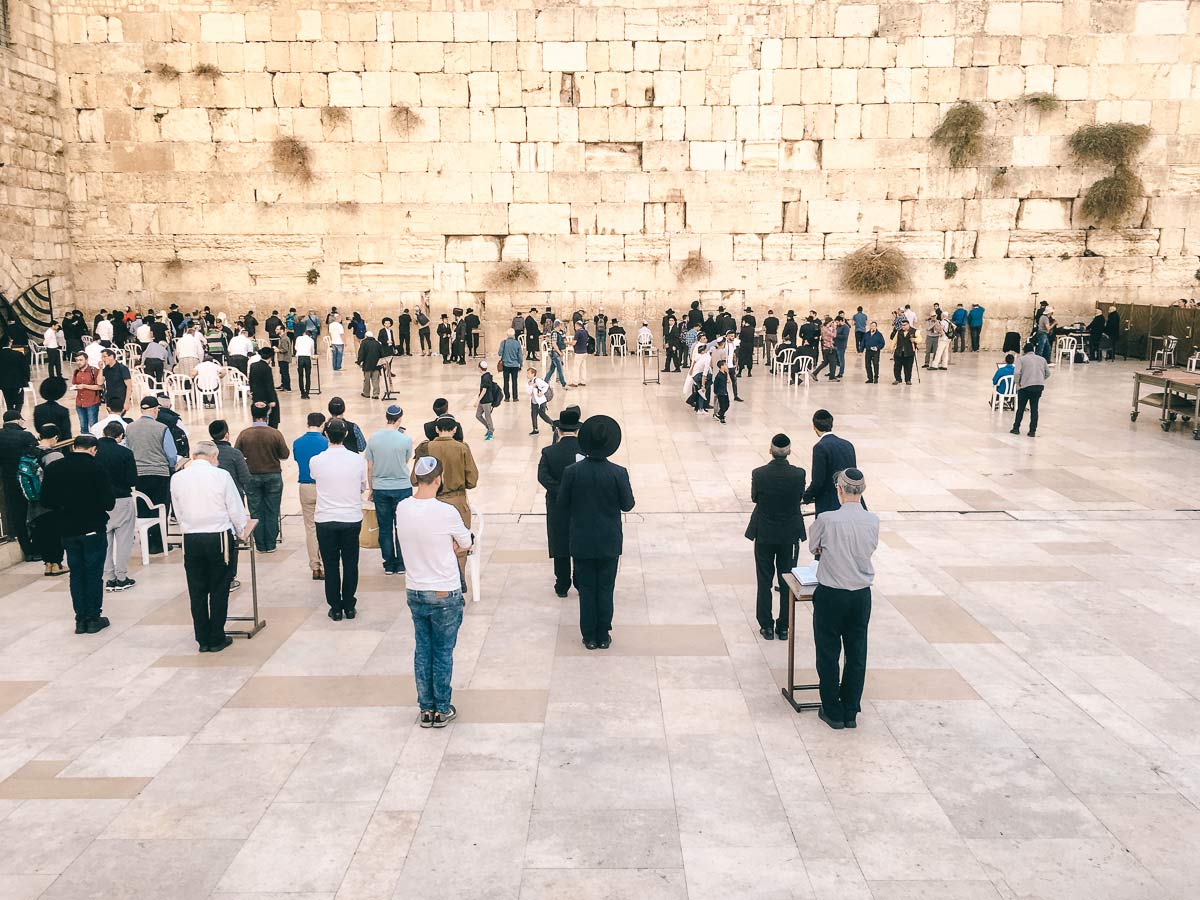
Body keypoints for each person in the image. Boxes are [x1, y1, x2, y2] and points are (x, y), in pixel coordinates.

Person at [395, 456, 473, 728]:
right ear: (439, 479)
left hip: (415, 589)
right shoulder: (446, 512)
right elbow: (465, 542)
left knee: (422, 648)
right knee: (442, 651)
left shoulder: (402, 508)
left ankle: (425, 707)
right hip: (443, 591)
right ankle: (441, 707)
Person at [807, 468, 879, 729]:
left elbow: (814, 546)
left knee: (828, 652)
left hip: (831, 594)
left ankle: (832, 710)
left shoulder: (827, 519)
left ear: (840, 490)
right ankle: (850, 710)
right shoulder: (873, 521)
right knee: (857, 652)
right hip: (861, 595)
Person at [557, 415, 635, 650]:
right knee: (606, 588)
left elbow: (562, 503)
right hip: (609, 540)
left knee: (587, 588)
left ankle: (589, 635)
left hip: (581, 538)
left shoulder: (572, 472)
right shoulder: (618, 472)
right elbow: (628, 504)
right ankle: (603, 633)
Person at [171, 441, 251, 653]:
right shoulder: (221, 475)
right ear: (214, 456)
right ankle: (216, 636)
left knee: (196, 589)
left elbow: (177, 510)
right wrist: (241, 529)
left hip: (191, 537)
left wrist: (187, 526)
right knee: (218, 587)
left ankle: (202, 638)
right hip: (217, 535)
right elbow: (234, 506)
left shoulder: (178, 478)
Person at [40, 434, 116, 634]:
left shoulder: (55, 467)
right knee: (93, 573)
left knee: (77, 573)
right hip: (92, 527)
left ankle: (80, 619)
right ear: (93, 449)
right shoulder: (97, 468)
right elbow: (109, 502)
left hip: (67, 529)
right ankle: (93, 617)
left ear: (74, 447)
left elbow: (46, 500)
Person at [746, 433, 807, 641]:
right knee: (787, 579)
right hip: (788, 534)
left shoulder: (759, 473)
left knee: (764, 580)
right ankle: (783, 626)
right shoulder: (799, 474)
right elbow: (799, 497)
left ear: (770, 451)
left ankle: (766, 626)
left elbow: (755, 497)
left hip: (764, 532)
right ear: (789, 451)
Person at [310, 419, 367, 620]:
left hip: (325, 518)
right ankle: (349, 605)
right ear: (345, 435)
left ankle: (335, 607)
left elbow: (315, 477)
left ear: (326, 435)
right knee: (351, 563)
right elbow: (362, 486)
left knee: (331, 564)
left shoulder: (316, 460)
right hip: (351, 517)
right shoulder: (357, 460)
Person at [413, 415, 478, 585]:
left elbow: (414, 479)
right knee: (461, 546)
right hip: (458, 502)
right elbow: (472, 481)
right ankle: (459, 580)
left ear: (436, 429)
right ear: (455, 429)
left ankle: (439, 582)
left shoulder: (426, 448)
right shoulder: (462, 448)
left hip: (433, 502)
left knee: (435, 546)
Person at [537, 405, 582, 597]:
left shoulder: (549, 452)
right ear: (578, 430)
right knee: (580, 542)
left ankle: (562, 584)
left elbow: (543, 477)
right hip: (581, 503)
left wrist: (560, 490)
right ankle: (580, 582)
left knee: (560, 541)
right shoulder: (586, 451)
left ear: (558, 430)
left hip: (556, 504)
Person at [126, 396, 179, 555]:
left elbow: (128, 449)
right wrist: (172, 465)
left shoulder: (130, 428)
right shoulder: (161, 427)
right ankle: (160, 541)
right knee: (161, 507)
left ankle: (147, 542)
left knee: (144, 507)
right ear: (156, 409)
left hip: (139, 474)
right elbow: (171, 454)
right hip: (159, 473)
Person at [235, 402, 290, 553]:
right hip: (272, 474)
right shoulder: (274, 433)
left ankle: (260, 544)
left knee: (255, 510)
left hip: (252, 475)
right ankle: (270, 543)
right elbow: (284, 454)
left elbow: (237, 454)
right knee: (272, 509)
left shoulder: (244, 434)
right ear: (267, 415)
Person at [365, 405, 414, 576]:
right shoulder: (405, 440)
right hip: (402, 487)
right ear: (400, 419)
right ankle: (401, 563)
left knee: (385, 527)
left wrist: (371, 488)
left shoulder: (373, 439)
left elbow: (370, 467)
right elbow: (406, 460)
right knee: (401, 526)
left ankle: (388, 563)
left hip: (380, 487)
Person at [95, 420, 138, 592]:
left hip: (99, 502)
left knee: (105, 542)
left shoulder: (94, 451)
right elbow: (132, 480)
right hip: (121, 499)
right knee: (124, 541)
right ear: (120, 436)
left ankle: (110, 578)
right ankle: (121, 577)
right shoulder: (125, 453)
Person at [23, 424, 67, 577]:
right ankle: (56, 564)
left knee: (42, 532)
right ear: (55, 437)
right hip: (51, 501)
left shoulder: (29, 452)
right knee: (55, 532)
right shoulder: (54, 455)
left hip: (34, 501)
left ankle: (47, 564)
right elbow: (61, 479)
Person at [803, 409, 860, 516]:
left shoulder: (820, 447)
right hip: (851, 502)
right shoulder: (848, 444)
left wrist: (807, 496)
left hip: (829, 504)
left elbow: (818, 481)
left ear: (814, 427)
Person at [293, 412, 328, 581]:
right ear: (322, 425)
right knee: (325, 527)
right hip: (323, 486)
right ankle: (327, 563)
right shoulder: (326, 443)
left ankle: (315, 566)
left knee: (310, 528)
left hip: (305, 486)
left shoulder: (298, 442)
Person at [1011, 342, 1050, 437]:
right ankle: (1032, 431)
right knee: (1034, 408)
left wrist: (1017, 383)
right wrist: (1040, 378)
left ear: (1024, 350)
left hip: (1025, 387)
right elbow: (1048, 373)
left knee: (1021, 408)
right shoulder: (1042, 359)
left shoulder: (1021, 359)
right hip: (1039, 386)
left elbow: (1016, 373)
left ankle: (1016, 428)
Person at [246, 346, 280, 428]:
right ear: (270, 357)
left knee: (257, 415)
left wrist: (252, 391)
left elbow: (251, 380)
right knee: (273, 416)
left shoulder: (253, 365)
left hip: (256, 395)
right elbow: (269, 385)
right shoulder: (267, 368)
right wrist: (272, 400)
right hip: (266, 396)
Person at [70, 352, 103, 433]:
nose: (78, 362)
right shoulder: (76, 372)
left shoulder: (94, 371)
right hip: (79, 403)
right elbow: (75, 383)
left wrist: (84, 386)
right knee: (83, 426)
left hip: (92, 402)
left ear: (87, 360)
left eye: (81, 360)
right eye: (77, 360)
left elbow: (99, 386)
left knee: (93, 426)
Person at [0, 338, 31, 413]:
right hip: (17, 382)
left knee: (8, 402)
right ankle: (16, 418)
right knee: (19, 402)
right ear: (9, 343)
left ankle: (11, 418)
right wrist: (26, 380)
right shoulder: (18, 354)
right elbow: (25, 369)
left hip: (4, 383)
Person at [100, 349, 133, 415]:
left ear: (111, 356)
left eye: (104, 356)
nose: (103, 359)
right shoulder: (106, 369)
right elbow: (100, 382)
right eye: (102, 357)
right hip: (110, 398)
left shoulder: (122, 368)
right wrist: (100, 369)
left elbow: (129, 386)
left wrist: (127, 401)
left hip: (120, 398)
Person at [475, 361, 499, 440]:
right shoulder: (486, 375)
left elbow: (484, 390)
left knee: (487, 416)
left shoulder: (485, 377)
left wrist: (477, 400)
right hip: (483, 400)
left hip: (487, 401)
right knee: (478, 415)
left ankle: (491, 432)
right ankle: (489, 427)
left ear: (480, 368)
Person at [890, 320, 920, 385]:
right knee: (897, 367)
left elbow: (920, 339)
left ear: (908, 325)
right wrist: (892, 348)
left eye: (904, 325)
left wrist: (914, 339)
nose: (902, 326)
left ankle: (908, 380)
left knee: (908, 367)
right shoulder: (899, 331)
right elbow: (894, 340)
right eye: (902, 325)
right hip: (899, 352)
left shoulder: (915, 331)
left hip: (909, 352)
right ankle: (898, 379)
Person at [356, 330, 385, 399]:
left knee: (367, 380)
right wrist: (382, 363)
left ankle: (366, 393)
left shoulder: (364, 343)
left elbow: (361, 353)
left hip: (367, 365)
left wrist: (359, 362)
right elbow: (382, 354)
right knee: (376, 380)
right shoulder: (378, 343)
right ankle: (375, 394)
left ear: (366, 336)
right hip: (376, 365)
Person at [528, 368, 554, 435]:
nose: (527, 375)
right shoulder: (529, 382)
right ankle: (535, 429)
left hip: (541, 401)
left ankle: (553, 423)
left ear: (533, 374)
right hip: (534, 401)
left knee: (542, 414)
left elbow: (546, 385)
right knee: (533, 415)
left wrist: (542, 392)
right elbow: (528, 392)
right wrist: (532, 386)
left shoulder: (538, 380)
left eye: (529, 373)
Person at [498, 329, 523, 400]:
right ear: (514, 335)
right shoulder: (517, 343)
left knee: (506, 381)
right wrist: (520, 364)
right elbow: (520, 356)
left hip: (506, 365)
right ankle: (515, 397)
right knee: (514, 381)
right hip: (515, 365)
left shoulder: (503, 342)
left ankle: (507, 397)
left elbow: (499, 353)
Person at [295, 328, 316, 399]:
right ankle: (307, 393)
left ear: (304, 333)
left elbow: (296, 347)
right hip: (307, 358)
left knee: (300, 376)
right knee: (308, 376)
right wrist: (312, 354)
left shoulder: (298, 338)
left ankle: (302, 393)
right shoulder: (311, 340)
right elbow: (312, 350)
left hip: (300, 357)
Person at [571, 320, 590, 386]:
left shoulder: (578, 332)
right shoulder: (585, 331)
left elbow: (574, 343)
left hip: (579, 352)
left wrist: (567, 343)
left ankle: (575, 382)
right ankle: (583, 381)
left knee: (576, 367)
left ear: (577, 325)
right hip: (585, 351)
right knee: (583, 367)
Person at [275, 326, 293, 391]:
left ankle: (287, 387)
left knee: (285, 372)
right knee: (282, 372)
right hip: (281, 358)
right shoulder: (282, 338)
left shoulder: (284, 338)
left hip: (284, 358)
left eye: (277, 329)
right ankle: (283, 385)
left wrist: (278, 350)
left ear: (282, 330)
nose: (275, 330)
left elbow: (285, 349)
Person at [713, 359, 731, 423]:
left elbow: (728, 381)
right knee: (722, 406)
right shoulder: (718, 376)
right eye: (725, 365)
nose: (726, 366)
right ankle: (721, 416)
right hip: (720, 393)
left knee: (727, 405)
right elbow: (715, 384)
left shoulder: (725, 373)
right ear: (722, 366)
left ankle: (719, 414)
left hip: (725, 392)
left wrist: (727, 372)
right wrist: (716, 392)